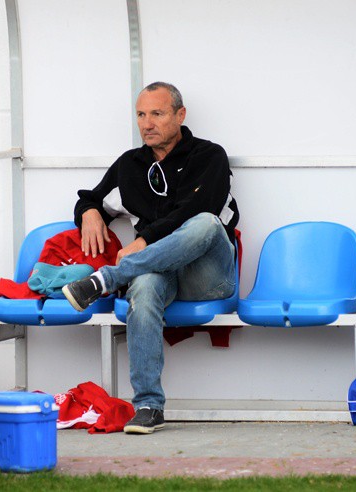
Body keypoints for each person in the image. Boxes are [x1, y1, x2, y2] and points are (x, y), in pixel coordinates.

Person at [62, 82, 239, 434]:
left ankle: (109, 279)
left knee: (205, 222)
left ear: (180, 115)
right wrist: (89, 212)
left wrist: (143, 240)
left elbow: (196, 210)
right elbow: (92, 198)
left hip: (206, 275)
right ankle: (147, 406)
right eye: (141, 114)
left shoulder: (209, 155)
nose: (147, 123)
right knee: (142, 288)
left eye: (157, 113)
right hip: (159, 272)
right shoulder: (130, 165)